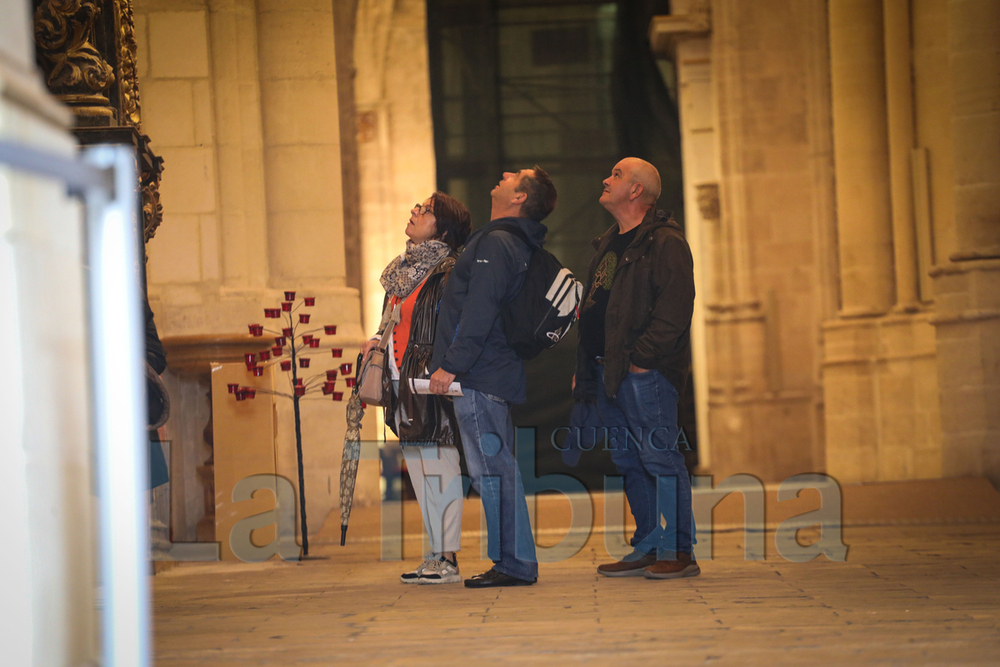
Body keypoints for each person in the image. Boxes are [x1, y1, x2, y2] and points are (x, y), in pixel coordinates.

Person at [429, 167, 556, 588]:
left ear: (520, 198)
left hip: (481, 375)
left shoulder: (498, 243)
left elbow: (479, 310)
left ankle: (515, 564)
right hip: (488, 372)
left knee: (492, 472)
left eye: (514, 176)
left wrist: (452, 365)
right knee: (495, 469)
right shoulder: (505, 240)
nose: (502, 174)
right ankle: (513, 560)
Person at [574, 157, 699, 579]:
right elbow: (595, 309)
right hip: (605, 371)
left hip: (644, 374)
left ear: (636, 191)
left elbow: (676, 309)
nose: (606, 179)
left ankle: (679, 550)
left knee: (659, 457)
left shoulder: (664, 242)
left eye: (616, 175)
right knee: (629, 460)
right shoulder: (609, 243)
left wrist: (643, 361)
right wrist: (585, 367)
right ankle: (649, 544)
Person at [361, 192, 471, 585]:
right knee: (422, 470)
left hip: (429, 380)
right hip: (398, 379)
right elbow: (393, 321)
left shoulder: (450, 270)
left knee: (441, 467)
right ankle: (434, 554)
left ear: (442, 228)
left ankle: (448, 558)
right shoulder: (403, 272)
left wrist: (444, 368)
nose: (414, 211)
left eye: (424, 210)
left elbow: (457, 326)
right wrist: (376, 339)